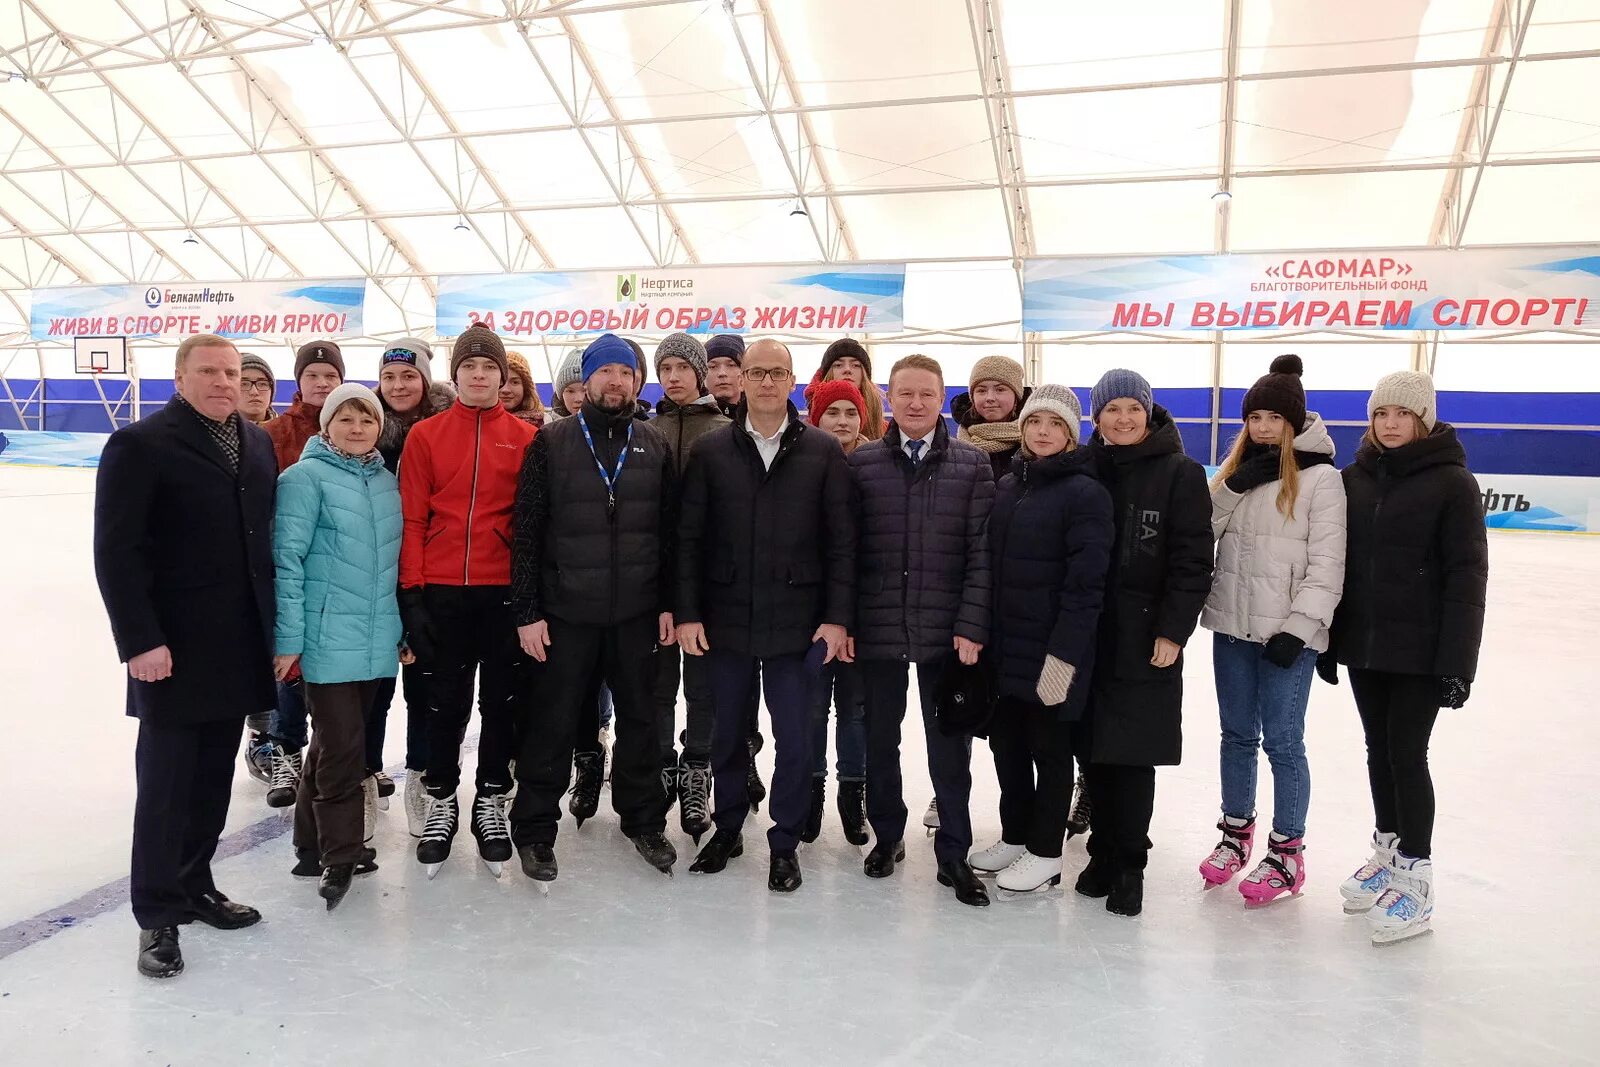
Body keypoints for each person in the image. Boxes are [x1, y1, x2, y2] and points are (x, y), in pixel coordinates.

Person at [93, 333, 275, 979]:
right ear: (180, 376)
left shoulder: (257, 442)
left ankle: (196, 886)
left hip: (235, 646)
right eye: (209, 371)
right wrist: (139, 640)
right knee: (165, 788)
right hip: (168, 650)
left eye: (232, 371)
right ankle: (157, 916)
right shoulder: (140, 444)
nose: (224, 381)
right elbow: (117, 552)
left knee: (210, 783)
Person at [676, 338, 855, 892]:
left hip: (798, 624)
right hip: (726, 621)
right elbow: (688, 540)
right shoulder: (711, 451)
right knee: (728, 733)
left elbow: (842, 544)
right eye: (757, 373)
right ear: (740, 380)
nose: (767, 383)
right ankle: (727, 827)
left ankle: (785, 841)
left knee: (796, 738)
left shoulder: (822, 451)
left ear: (793, 380)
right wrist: (687, 612)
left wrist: (836, 617)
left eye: (778, 373)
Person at [1326, 371, 1487, 945]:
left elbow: (1467, 577)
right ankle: (1388, 852)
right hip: (1367, 647)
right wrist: (1330, 638)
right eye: (1380, 415)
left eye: (1401, 414)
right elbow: (1339, 567)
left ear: (1423, 418)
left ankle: (1416, 878)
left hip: (1422, 650)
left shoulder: (1453, 483)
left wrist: (1457, 663)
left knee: (1407, 753)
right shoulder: (1355, 479)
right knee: (1377, 751)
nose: (1390, 424)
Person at [509, 333, 678, 880]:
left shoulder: (654, 445)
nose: (614, 382)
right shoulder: (552, 441)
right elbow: (527, 531)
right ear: (585, 381)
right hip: (565, 614)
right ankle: (535, 830)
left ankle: (644, 821)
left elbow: (671, 538)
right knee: (552, 724)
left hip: (635, 615)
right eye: (604, 372)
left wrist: (669, 605)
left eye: (625, 373)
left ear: (635, 381)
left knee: (641, 722)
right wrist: (527, 610)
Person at [1063, 370, 1213, 917]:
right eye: (1111, 409)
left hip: (1146, 638)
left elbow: (1193, 561)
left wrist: (1173, 630)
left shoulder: (1180, 474)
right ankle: (1101, 852)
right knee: (1093, 751)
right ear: (1096, 417)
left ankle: (1130, 864)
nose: (1123, 419)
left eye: (1132, 408)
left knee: (1132, 756)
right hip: (1086, 636)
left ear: (1147, 413)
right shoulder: (1083, 468)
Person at [1199, 354, 1347, 905]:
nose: (1262, 428)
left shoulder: (1322, 479)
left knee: (1283, 742)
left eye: (1273, 419)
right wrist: (1234, 486)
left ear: (1294, 422)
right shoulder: (1238, 469)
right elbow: (1201, 530)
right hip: (1232, 628)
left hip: (1287, 637)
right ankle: (1235, 835)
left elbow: (1328, 563)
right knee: (1236, 735)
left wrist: (1302, 627)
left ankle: (1287, 852)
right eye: (1254, 417)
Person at [850, 355, 995, 906]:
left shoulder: (973, 464)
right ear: (888, 397)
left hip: (946, 634)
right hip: (879, 628)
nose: (915, 404)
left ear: (941, 399)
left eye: (926, 395)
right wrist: (850, 619)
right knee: (880, 741)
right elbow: (848, 550)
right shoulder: (863, 464)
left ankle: (953, 851)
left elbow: (982, 554)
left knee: (948, 748)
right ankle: (887, 837)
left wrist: (972, 623)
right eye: (905, 393)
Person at [398, 323, 537, 878]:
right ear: (454, 376)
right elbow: (413, 518)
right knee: (443, 704)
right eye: (469, 367)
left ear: (503, 377)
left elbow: (531, 528)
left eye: (489, 367)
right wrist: (412, 594)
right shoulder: (426, 436)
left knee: (502, 703)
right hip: (441, 592)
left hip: (502, 593)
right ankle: (441, 800)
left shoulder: (527, 438)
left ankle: (491, 799)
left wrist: (530, 600)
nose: (479, 375)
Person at [972, 384, 1113, 898]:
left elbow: (1086, 586)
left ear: (1071, 433)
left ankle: (1047, 853)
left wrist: (1064, 658)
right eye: (1035, 423)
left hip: (1054, 652)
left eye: (1055, 424)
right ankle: (1015, 836)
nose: (1043, 432)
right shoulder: (1011, 485)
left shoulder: (1086, 493)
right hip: (1006, 647)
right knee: (1007, 748)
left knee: (1050, 752)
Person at [273, 383, 404, 910]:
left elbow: (394, 571)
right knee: (345, 749)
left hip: (375, 641)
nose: (357, 429)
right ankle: (342, 853)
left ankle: (308, 845)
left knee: (332, 745)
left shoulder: (388, 483)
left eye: (366, 420)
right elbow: (287, 563)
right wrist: (287, 640)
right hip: (325, 638)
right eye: (345, 419)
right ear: (326, 425)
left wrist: (401, 633)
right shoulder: (303, 479)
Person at [650, 332, 731, 842]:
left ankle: (697, 768)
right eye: (665, 368)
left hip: (709, 587)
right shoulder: (646, 430)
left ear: (699, 372)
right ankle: (662, 765)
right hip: (651, 586)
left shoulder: (725, 431)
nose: (674, 377)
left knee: (704, 688)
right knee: (657, 685)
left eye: (683, 366)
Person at [260, 340, 347, 808]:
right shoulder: (273, 434)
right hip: (291, 567)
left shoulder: (354, 425)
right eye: (312, 376)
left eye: (329, 376)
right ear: (298, 382)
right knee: (289, 668)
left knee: (338, 677)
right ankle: (286, 752)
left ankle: (345, 761)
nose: (321, 383)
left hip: (342, 573)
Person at [372, 338, 454, 835]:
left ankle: (422, 776)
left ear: (425, 380)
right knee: (374, 690)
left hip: (427, 579)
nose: (399, 385)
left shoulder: (443, 431)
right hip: (373, 582)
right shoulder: (362, 430)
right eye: (389, 377)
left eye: (408, 376)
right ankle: (364, 775)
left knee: (426, 688)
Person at [801, 378, 869, 844]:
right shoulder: (803, 462)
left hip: (863, 612)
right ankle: (812, 790)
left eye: (850, 412)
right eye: (832, 413)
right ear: (816, 418)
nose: (842, 422)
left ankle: (853, 793)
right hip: (809, 611)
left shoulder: (874, 463)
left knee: (855, 708)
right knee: (810, 708)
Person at [236, 359, 278, 786]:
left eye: (262, 384)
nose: (253, 391)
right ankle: (259, 735)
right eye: (244, 382)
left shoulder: (272, 440)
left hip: (271, 566)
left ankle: (268, 736)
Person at [951, 355, 1030, 482]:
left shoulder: (1034, 443)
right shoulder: (955, 447)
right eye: (981, 390)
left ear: (1016, 397)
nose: (990, 398)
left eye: (1000, 389)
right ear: (972, 398)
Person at [810, 337, 885, 440]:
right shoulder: (805, 431)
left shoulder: (886, 430)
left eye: (855, 365)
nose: (847, 370)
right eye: (838, 365)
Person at [502, 351, 547, 427]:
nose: (506, 389)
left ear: (526, 388)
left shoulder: (546, 424)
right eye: (501, 381)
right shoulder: (478, 423)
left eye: (515, 382)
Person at [704, 333, 745, 418]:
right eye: (713, 366)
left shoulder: (761, 415)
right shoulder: (690, 417)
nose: (722, 373)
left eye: (731, 365)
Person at [238, 353, 277, 426]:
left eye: (262, 384)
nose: (254, 392)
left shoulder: (289, 432)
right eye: (244, 384)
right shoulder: (215, 433)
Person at [550, 348, 586, 418]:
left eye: (585, 390)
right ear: (561, 396)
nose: (578, 399)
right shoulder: (549, 427)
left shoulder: (611, 425)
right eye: (570, 391)